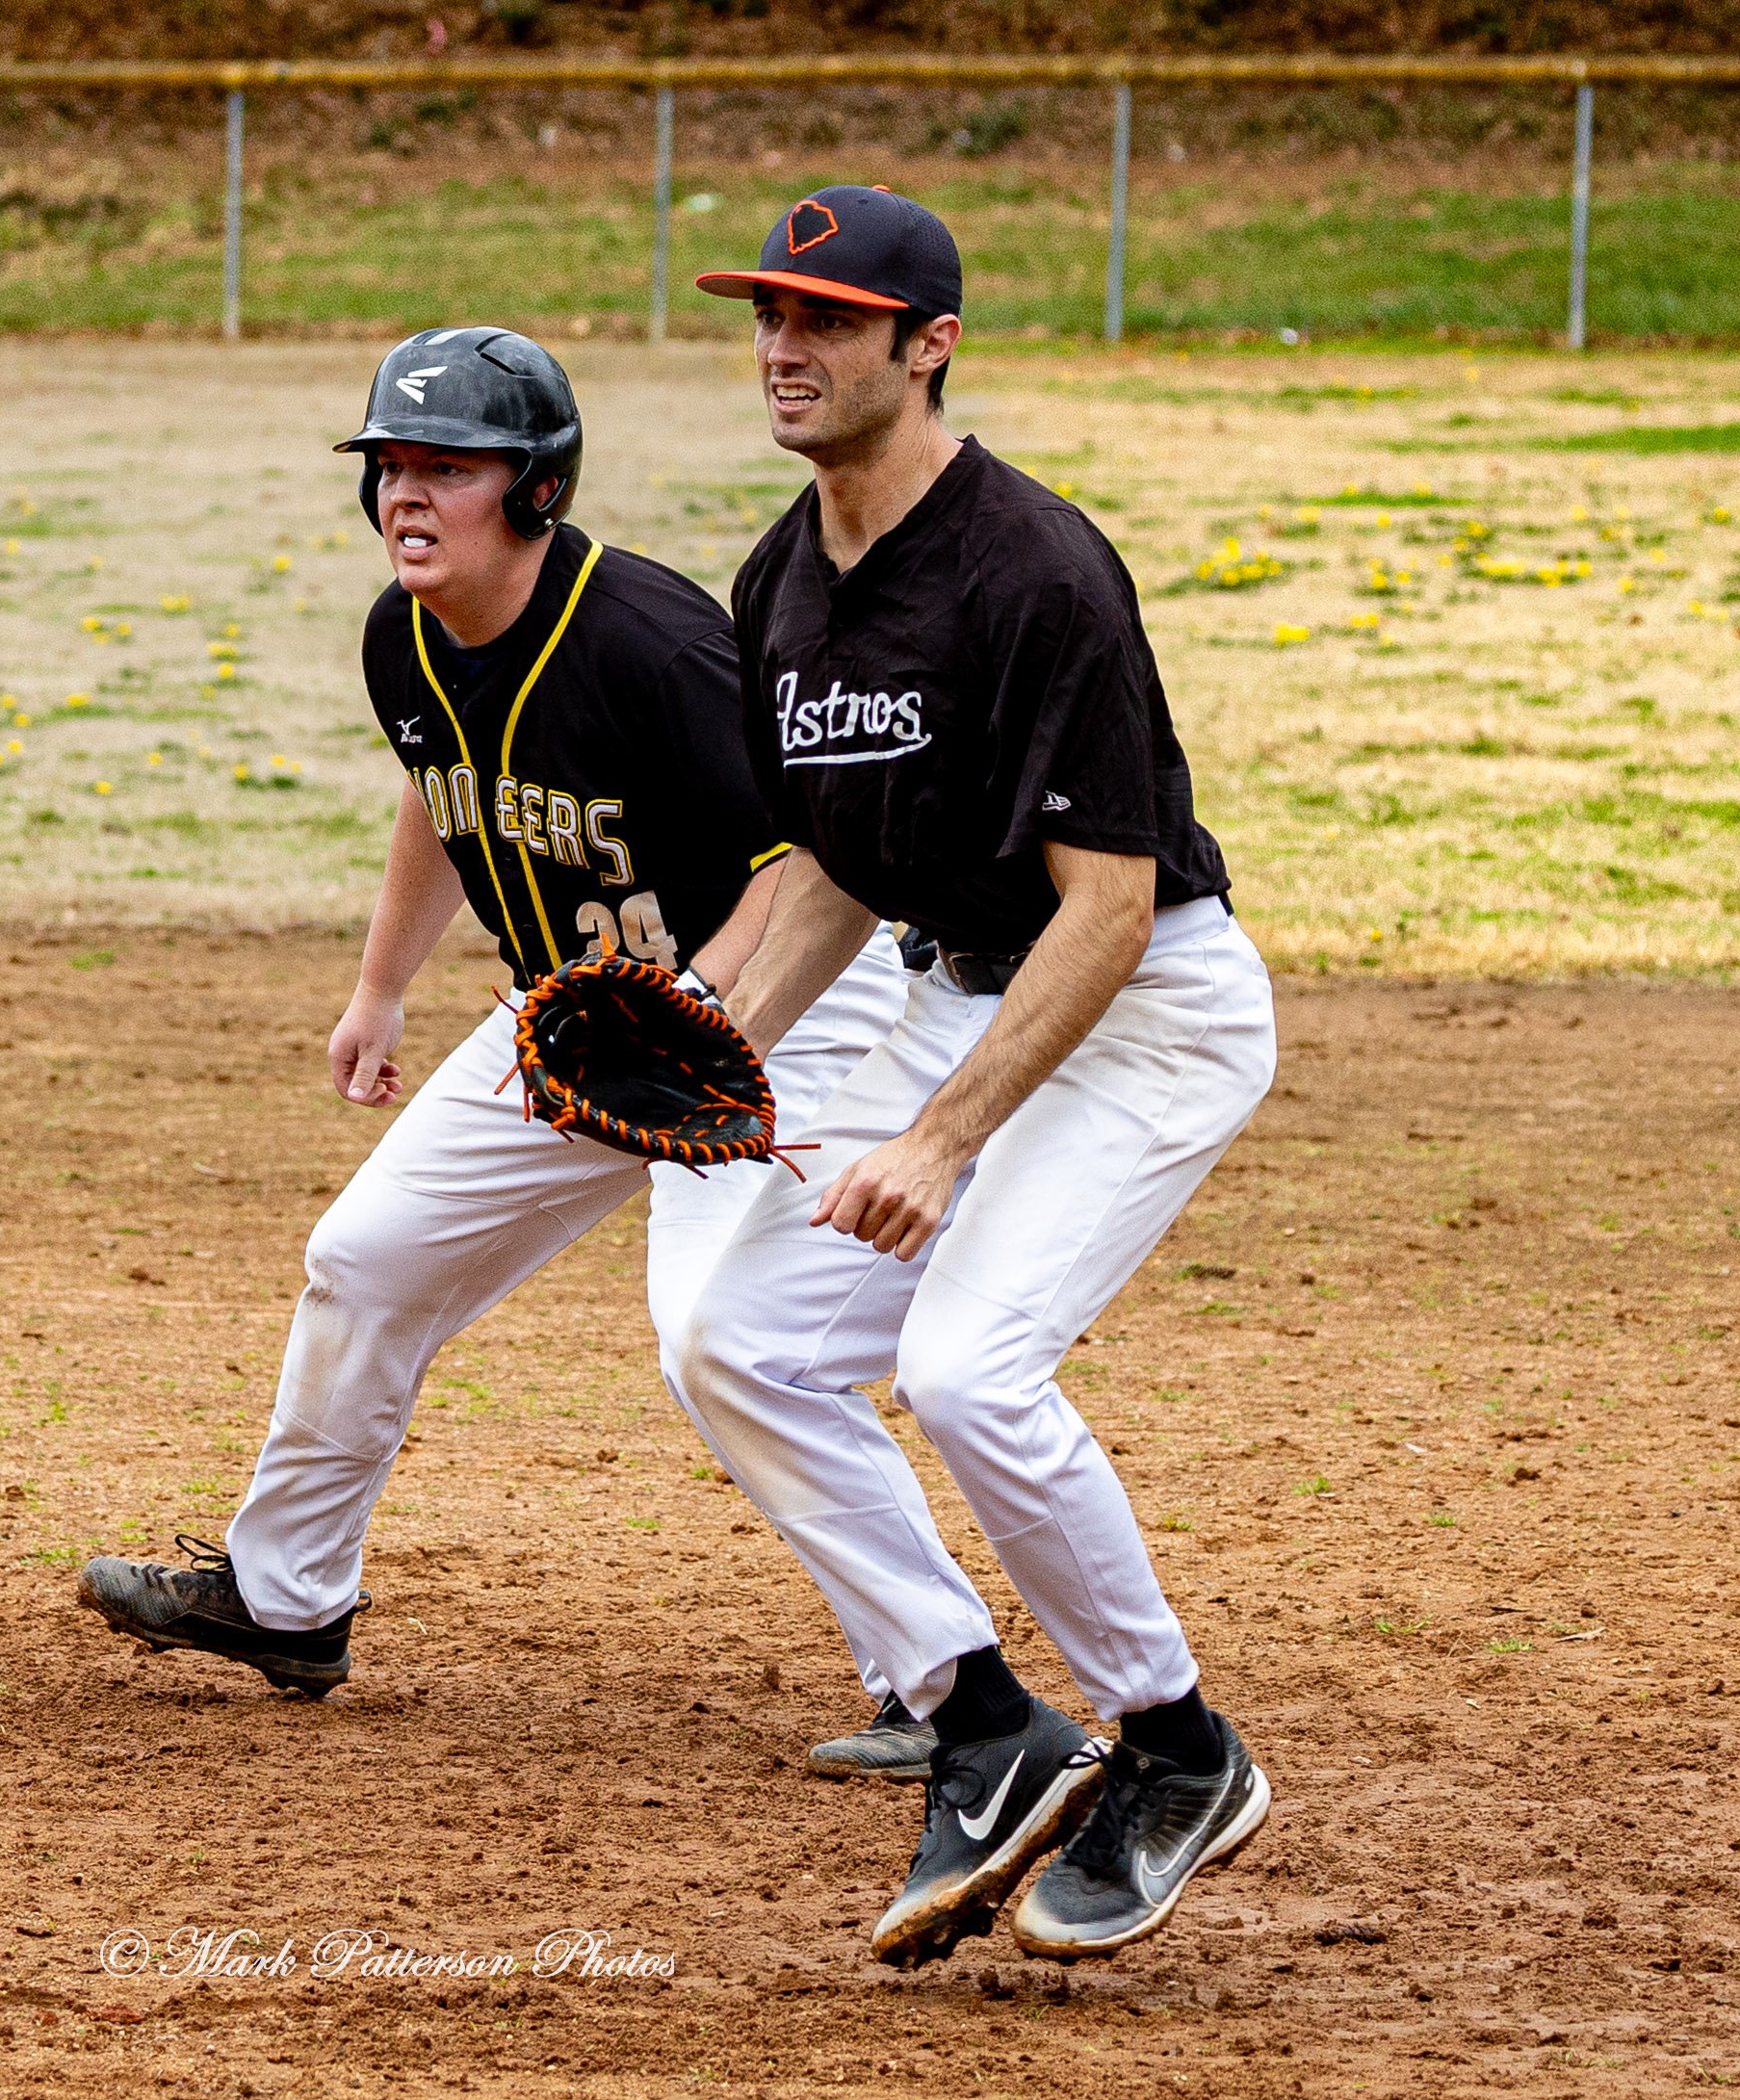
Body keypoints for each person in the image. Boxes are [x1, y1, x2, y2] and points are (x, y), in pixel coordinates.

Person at [75, 327, 906, 1701]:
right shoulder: (405, 635)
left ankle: (934, 1684)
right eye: (390, 466)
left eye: (447, 466)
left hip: (789, 1003)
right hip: (577, 1016)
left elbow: (802, 859)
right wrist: (381, 983)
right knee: (364, 1258)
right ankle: (287, 1598)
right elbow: (437, 788)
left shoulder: (650, 641)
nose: (406, 495)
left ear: (534, 490)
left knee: (726, 1339)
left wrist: (714, 1026)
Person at [678, 191, 1279, 1967]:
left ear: (926, 342)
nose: (785, 347)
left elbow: (1113, 900)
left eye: (829, 319)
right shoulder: (781, 577)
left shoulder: (1039, 570)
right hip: (965, 986)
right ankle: (982, 1719)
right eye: (769, 314)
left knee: (962, 1363)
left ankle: (1177, 1748)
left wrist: (942, 1138)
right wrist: (722, 1046)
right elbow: (845, 863)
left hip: (1145, 1003)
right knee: (744, 1339)